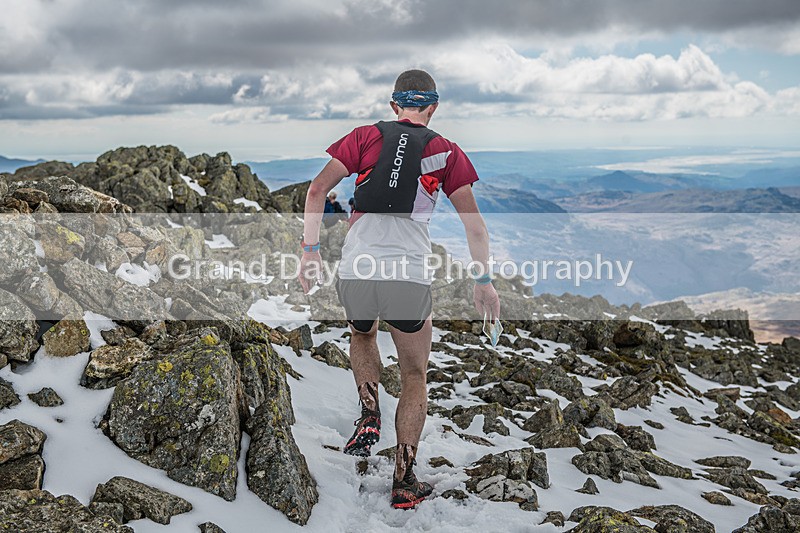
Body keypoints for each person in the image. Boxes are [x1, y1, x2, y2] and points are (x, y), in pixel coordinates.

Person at [298, 69, 500, 509]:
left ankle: (369, 415)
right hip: (407, 276)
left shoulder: (365, 136)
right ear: (434, 105)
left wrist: (310, 252)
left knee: (363, 333)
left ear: (394, 105)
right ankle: (404, 480)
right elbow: (475, 226)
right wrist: (483, 281)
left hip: (356, 269)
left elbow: (316, 191)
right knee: (414, 374)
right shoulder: (446, 151)